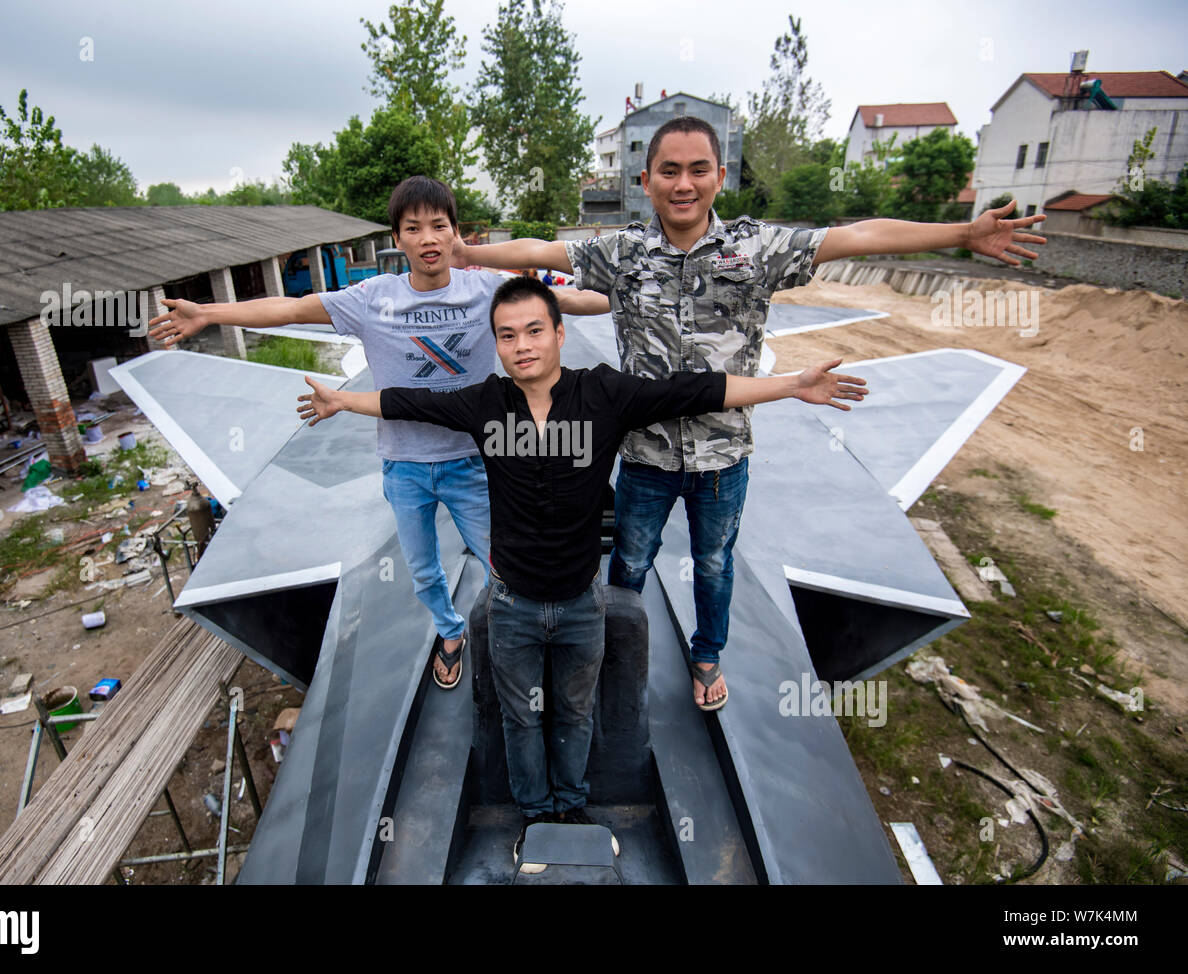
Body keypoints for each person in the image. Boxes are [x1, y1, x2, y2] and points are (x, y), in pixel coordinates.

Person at [451, 116, 1046, 711]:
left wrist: (963, 232)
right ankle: (613, 650)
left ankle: (707, 654)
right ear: (647, 179)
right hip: (646, 454)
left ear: (720, 176)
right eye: (669, 171)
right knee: (629, 562)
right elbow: (538, 250)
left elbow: (858, 236)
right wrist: (465, 252)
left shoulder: (758, 247)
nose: (683, 183)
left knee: (713, 564)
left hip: (724, 457)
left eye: (697, 170)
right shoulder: (623, 253)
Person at [296, 275, 867, 873]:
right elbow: (405, 401)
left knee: (574, 713)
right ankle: (534, 814)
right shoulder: (485, 403)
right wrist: (342, 400)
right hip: (511, 604)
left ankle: (571, 808)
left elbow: (694, 390)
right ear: (496, 345)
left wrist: (790, 387)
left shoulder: (603, 396)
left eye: (535, 331)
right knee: (521, 720)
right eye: (507, 335)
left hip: (580, 603)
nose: (522, 345)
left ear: (560, 333)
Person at [148, 176, 609, 690]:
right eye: (414, 228)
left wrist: (634, 293)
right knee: (423, 572)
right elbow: (290, 308)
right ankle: (450, 632)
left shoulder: (489, 290)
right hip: (405, 464)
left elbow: (573, 304)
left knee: (501, 561)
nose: (428, 238)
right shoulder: (372, 299)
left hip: (475, 460)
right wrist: (207, 312)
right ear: (398, 238)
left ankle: (522, 636)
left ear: (455, 233)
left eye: (439, 226)